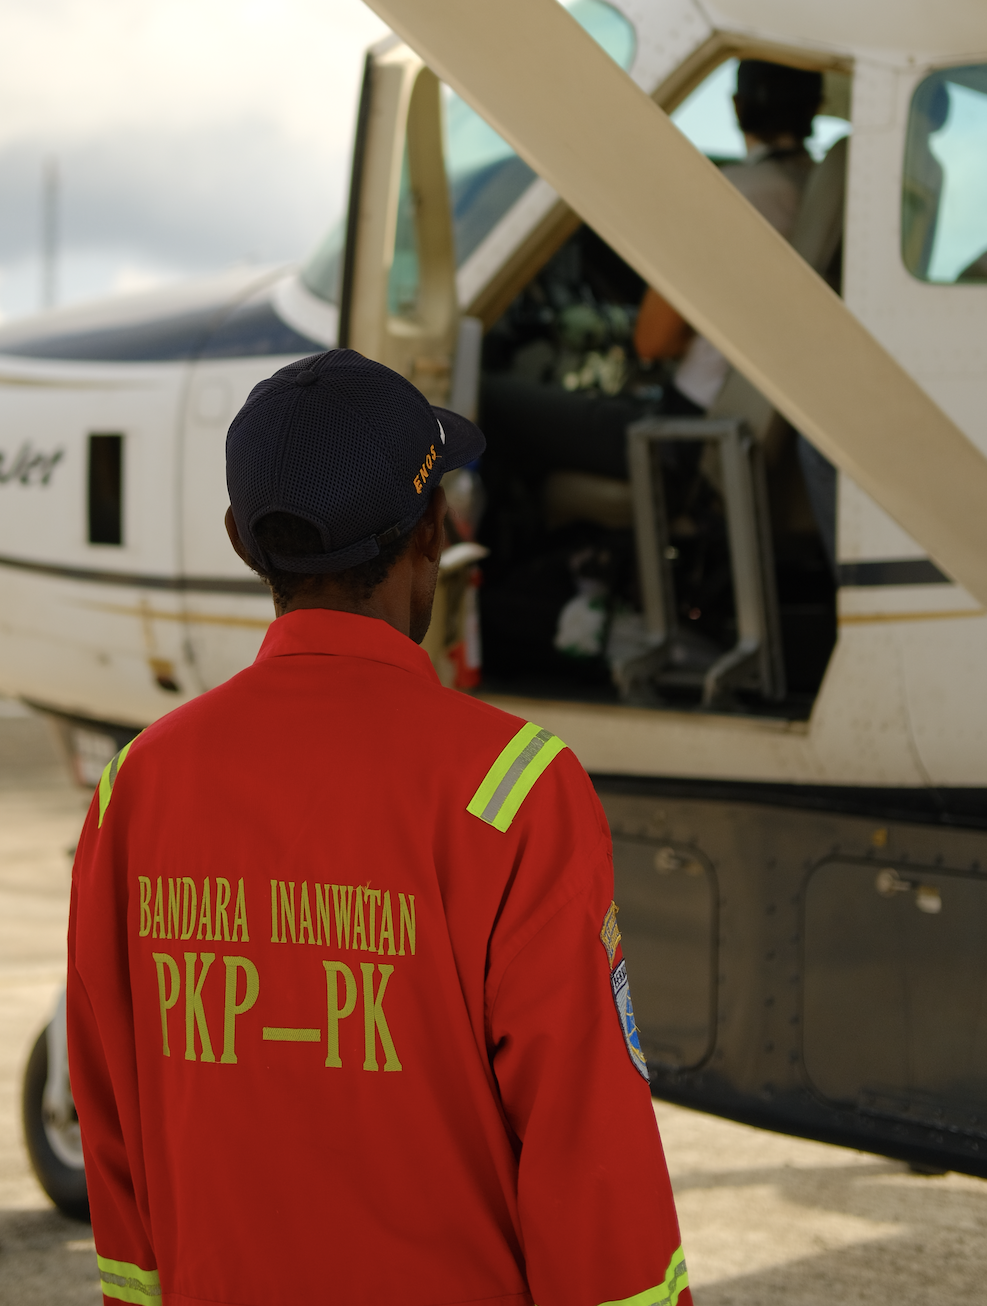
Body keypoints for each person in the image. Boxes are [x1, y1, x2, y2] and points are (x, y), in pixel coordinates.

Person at [67, 346, 692, 1306]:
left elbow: (112, 1135)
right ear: (435, 529)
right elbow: (588, 1152)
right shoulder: (514, 790)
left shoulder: (136, 788)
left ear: (242, 542)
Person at [635, 59, 823, 408]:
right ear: (817, 107)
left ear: (737, 105)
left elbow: (653, 342)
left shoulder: (732, 192)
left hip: (696, 413)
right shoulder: (821, 192)